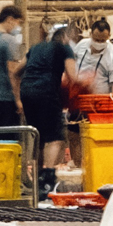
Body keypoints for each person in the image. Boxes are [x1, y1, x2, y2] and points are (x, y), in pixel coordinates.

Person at [20, 22, 76, 192]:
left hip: (27, 92)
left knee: (38, 137)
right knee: (55, 138)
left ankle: (37, 179)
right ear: (66, 37)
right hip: (47, 92)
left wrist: (18, 97)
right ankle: (47, 181)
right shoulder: (64, 48)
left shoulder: (36, 48)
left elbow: (16, 70)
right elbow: (72, 75)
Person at [72, 17, 112, 87]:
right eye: (96, 40)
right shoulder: (82, 44)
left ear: (109, 36)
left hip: (99, 96)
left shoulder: (112, 53)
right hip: (77, 92)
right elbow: (71, 61)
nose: (99, 43)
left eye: (103, 40)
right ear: (91, 34)